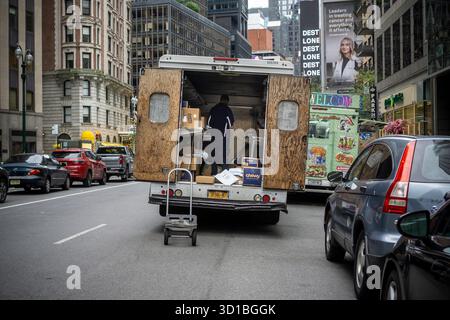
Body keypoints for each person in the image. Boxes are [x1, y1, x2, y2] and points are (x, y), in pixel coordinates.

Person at [206, 94, 235, 175]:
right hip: (223, 136)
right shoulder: (227, 109)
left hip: (214, 136)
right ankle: (225, 175)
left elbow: (208, 123)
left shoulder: (213, 109)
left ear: (220, 99)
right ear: (227, 101)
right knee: (224, 155)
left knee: (213, 154)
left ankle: (214, 173)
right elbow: (230, 122)